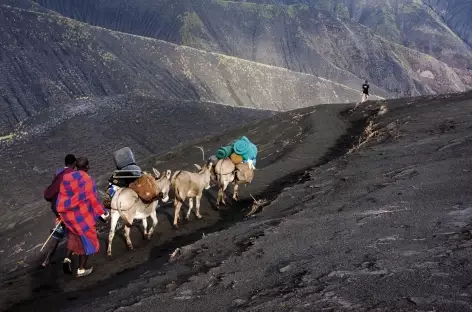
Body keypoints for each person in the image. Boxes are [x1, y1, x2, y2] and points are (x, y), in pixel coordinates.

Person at [56, 157, 109, 277]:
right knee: (89, 241)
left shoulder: (67, 177)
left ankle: (67, 259)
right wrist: (103, 213)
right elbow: (93, 199)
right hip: (82, 216)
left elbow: (62, 196)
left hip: (69, 216)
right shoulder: (87, 179)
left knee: (74, 237)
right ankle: (81, 269)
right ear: (87, 167)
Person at [41, 154, 77, 268]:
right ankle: (69, 258)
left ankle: (46, 260)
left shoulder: (58, 172)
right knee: (74, 231)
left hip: (56, 207)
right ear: (74, 163)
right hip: (64, 208)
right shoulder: (72, 174)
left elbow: (55, 188)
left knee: (58, 233)